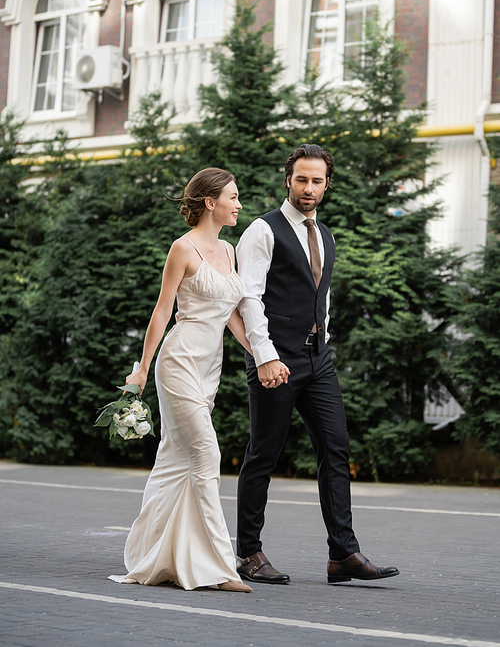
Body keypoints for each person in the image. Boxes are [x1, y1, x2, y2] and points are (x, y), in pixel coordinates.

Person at [110, 167, 287, 592]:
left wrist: (265, 357)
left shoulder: (228, 251)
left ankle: (156, 553)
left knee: (174, 461)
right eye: (233, 197)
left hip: (210, 368)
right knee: (207, 455)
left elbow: (230, 315)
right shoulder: (182, 248)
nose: (239, 204)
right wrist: (140, 369)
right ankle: (224, 567)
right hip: (178, 362)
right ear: (211, 202)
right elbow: (161, 312)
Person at [235, 144, 400, 585]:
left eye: (317, 180)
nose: (309, 188)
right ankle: (248, 552)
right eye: (302, 179)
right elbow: (248, 296)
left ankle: (343, 554)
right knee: (263, 455)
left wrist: (323, 341)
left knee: (336, 447)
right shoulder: (262, 231)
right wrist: (263, 355)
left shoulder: (324, 233)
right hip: (275, 358)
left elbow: (319, 294)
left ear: (328, 184)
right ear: (287, 179)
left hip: (316, 358)